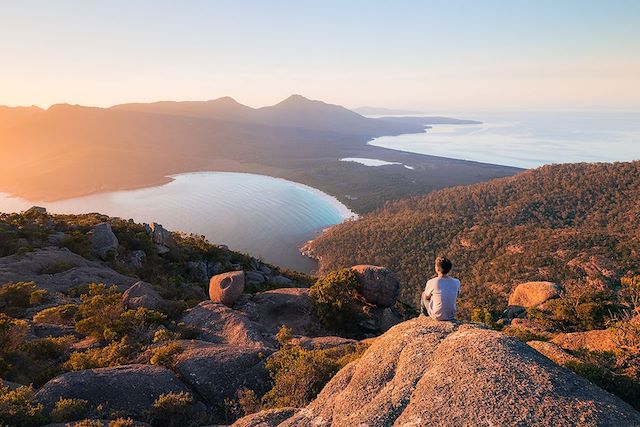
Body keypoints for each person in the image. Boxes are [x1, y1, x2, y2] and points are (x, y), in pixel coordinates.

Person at [421, 256, 460, 320]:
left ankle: (423, 315)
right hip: (451, 316)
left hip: (437, 316)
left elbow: (426, 297)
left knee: (424, 294)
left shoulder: (432, 282)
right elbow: (457, 294)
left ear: (437, 269)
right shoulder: (457, 282)